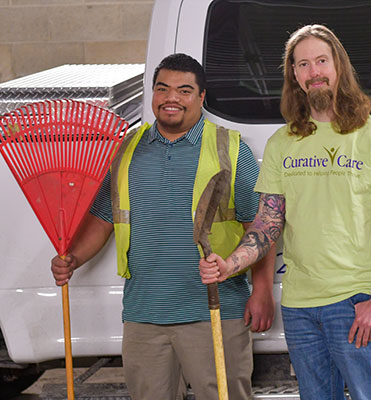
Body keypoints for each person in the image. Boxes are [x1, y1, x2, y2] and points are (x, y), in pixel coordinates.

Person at [199, 24, 371, 400]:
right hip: (301, 309)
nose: (313, 71)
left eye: (321, 60)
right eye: (302, 64)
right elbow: (268, 222)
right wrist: (229, 265)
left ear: (339, 67)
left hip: (357, 302)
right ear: (295, 76)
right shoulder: (282, 143)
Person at [51, 53, 275, 400]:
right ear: (152, 94)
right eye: (163, 88)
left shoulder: (230, 149)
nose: (172, 98)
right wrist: (73, 259)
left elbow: (260, 225)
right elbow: (104, 218)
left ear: (201, 98)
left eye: (184, 90)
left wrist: (261, 291)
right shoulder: (126, 149)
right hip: (144, 316)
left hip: (215, 311)